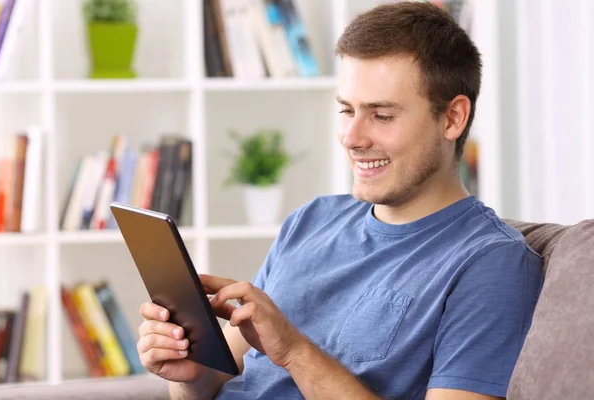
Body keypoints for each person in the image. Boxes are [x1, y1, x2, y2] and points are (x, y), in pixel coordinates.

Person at [136, 2, 544, 399]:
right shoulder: (311, 220)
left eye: (382, 115)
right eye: (347, 111)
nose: (352, 137)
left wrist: (295, 352)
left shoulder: (492, 263)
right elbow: (217, 381)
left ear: (452, 118)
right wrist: (190, 374)